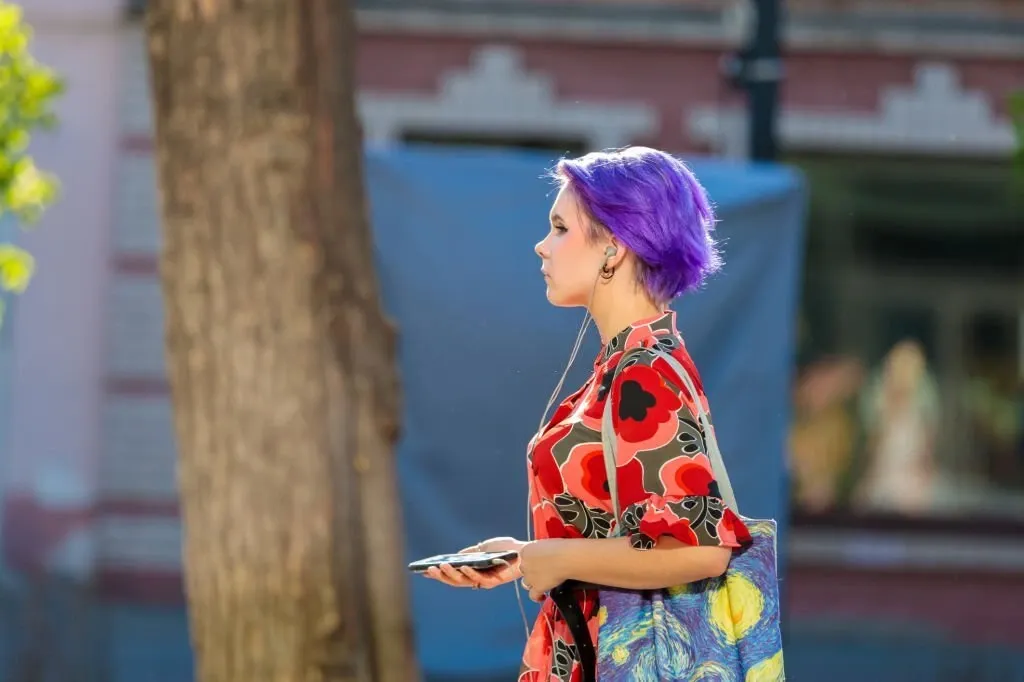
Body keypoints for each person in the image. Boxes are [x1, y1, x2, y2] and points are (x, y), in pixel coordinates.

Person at [421, 146, 751, 681]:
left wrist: (555, 559)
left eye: (559, 227)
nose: (541, 245)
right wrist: (526, 556)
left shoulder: (644, 370)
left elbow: (702, 548)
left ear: (614, 248)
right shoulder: (628, 362)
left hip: (620, 659)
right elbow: (621, 533)